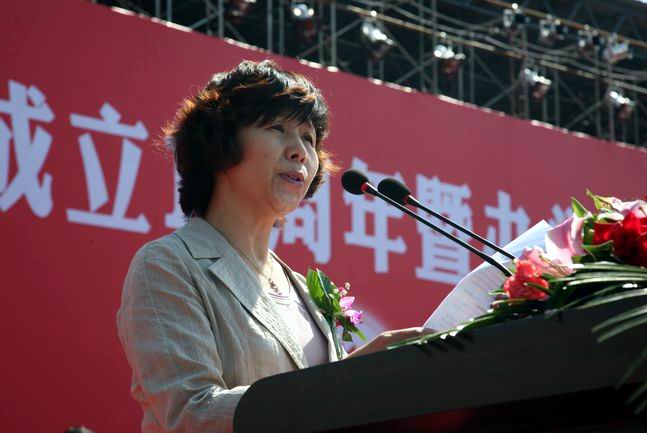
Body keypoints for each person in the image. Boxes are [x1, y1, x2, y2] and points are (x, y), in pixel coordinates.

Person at [116, 60, 428, 433]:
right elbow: (191, 414)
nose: (300, 152)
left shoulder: (302, 289)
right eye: (277, 128)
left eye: (309, 138)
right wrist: (343, 383)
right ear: (220, 143)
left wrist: (367, 374)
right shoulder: (170, 264)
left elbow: (326, 407)